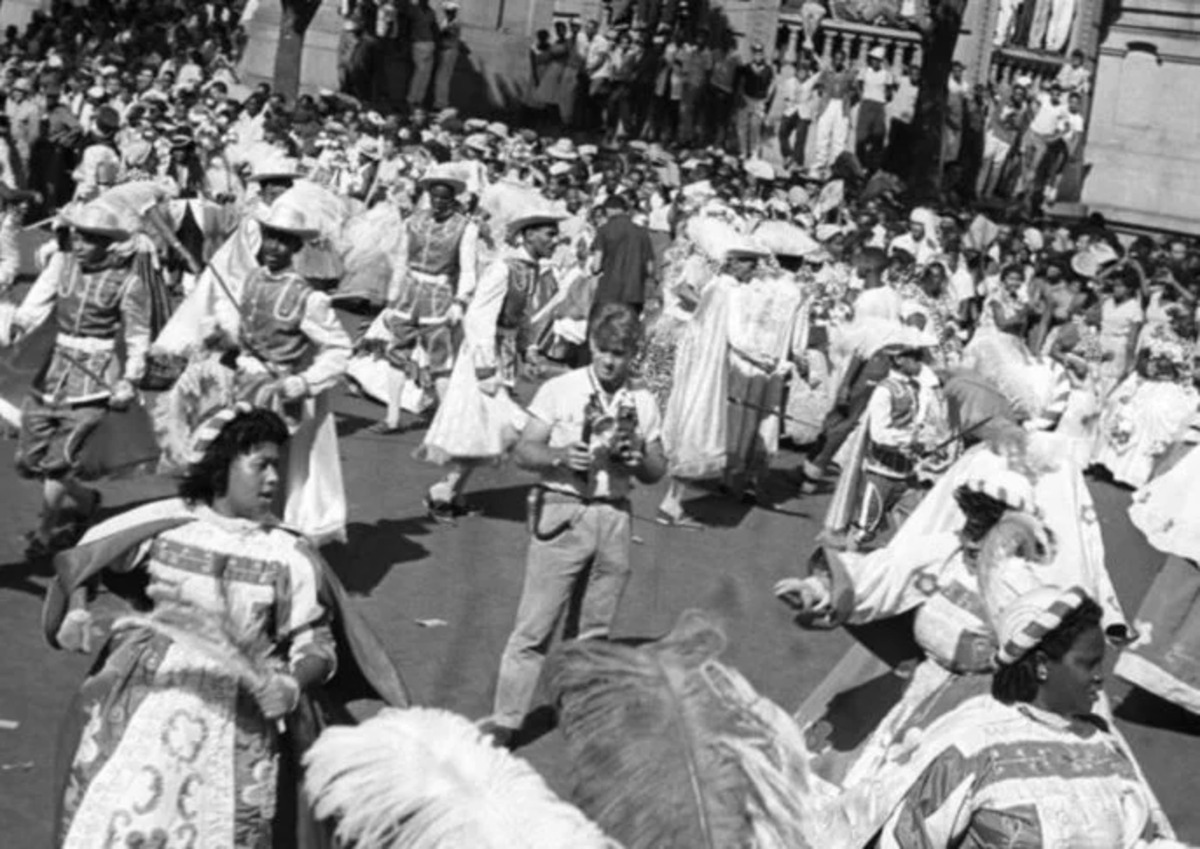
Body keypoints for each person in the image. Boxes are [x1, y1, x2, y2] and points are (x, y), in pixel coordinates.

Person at [44, 406, 408, 847]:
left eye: (277, 466)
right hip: (148, 694)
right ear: (221, 467)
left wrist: (291, 684)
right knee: (120, 812)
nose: (274, 479)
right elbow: (88, 560)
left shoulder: (288, 555)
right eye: (261, 465)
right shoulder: (165, 527)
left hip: (240, 714)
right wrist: (77, 610)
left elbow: (316, 642)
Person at [479, 303, 666, 746]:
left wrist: (639, 459)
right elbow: (525, 451)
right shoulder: (559, 389)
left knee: (594, 630)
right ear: (591, 346)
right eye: (603, 350)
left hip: (614, 515)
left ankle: (576, 709)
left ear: (633, 355)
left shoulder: (642, 401)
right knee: (534, 626)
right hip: (564, 510)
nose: (609, 361)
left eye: (619, 353)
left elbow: (658, 469)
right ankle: (506, 721)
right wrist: (560, 456)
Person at [880, 587, 1178, 847]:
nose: (1100, 676)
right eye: (1088, 664)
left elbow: (1138, 841)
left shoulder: (1102, 748)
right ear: (1042, 664)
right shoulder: (973, 750)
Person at [163, 203, 353, 544]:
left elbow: (339, 348)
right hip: (239, 383)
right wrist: (221, 336)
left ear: (296, 246)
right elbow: (246, 335)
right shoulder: (250, 280)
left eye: (283, 241)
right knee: (228, 457)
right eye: (269, 237)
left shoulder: (308, 297)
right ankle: (228, 523)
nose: (273, 247)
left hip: (274, 393)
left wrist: (304, 382)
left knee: (262, 465)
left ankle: (263, 532)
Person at [10, 203, 153, 557]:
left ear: (107, 243)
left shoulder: (129, 283)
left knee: (61, 458)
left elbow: (138, 334)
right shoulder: (61, 266)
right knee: (29, 459)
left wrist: (130, 378)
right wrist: (15, 326)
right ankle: (87, 499)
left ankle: (44, 532)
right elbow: (34, 306)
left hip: (94, 381)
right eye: (77, 236)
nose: (79, 244)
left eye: (89, 239)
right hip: (52, 371)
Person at [419, 208, 566, 521]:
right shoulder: (503, 268)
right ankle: (443, 491)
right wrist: (485, 367)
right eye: (550, 234)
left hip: (504, 355)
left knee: (487, 431)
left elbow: (522, 317)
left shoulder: (531, 269)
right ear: (529, 235)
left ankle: (449, 493)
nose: (556, 241)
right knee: (500, 426)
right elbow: (478, 317)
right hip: (482, 358)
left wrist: (528, 348)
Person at [353, 169, 479, 433]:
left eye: (445, 198)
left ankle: (447, 423)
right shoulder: (414, 220)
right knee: (396, 354)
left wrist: (460, 301)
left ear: (453, 198)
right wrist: (391, 299)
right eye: (435, 197)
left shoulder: (465, 227)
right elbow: (401, 259)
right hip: (408, 294)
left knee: (440, 361)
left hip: (439, 295)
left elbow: (468, 269)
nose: (439, 202)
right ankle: (392, 418)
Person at [590, 193, 658, 314]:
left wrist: (594, 271)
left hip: (609, 291)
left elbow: (596, 265)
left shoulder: (603, 230)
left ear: (609, 209)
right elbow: (650, 268)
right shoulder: (642, 232)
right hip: (635, 292)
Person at [855, 46, 894, 172]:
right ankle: (860, 163)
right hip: (867, 104)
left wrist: (887, 95)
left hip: (879, 105)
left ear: (881, 61)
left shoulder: (886, 74)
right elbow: (858, 84)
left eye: (878, 59)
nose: (875, 62)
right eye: (873, 59)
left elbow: (889, 91)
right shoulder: (864, 71)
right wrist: (861, 96)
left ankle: (873, 165)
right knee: (861, 136)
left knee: (878, 136)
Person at [735, 42, 774, 158]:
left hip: (759, 101)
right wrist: (740, 95)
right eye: (755, 53)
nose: (757, 55)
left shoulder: (768, 69)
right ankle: (743, 151)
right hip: (746, 98)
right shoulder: (746, 67)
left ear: (763, 54)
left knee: (755, 126)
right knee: (742, 126)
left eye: (760, 53)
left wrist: (768, 97)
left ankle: (754, 152)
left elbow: (772, 84)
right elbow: (740, 82)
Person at [408, 0, 440, 109]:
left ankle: (419, 100)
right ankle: (411, 99)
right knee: (419, 73)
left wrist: (436, 44)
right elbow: (407, 25)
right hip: (418, 43)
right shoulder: (414, 10)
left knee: (426, 75)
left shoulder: (431, 12)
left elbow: (434, 27)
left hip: (430, 44)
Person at [432, 1, 461, 111]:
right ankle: (440, 102)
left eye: (450, 12)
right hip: (444, 51)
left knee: (442, 79)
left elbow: (443, 34)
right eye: (447, 11)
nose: (448, 13)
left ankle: (440, 104)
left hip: (449, 51)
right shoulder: (446, 21)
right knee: (441, 78)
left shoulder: (454, 23)